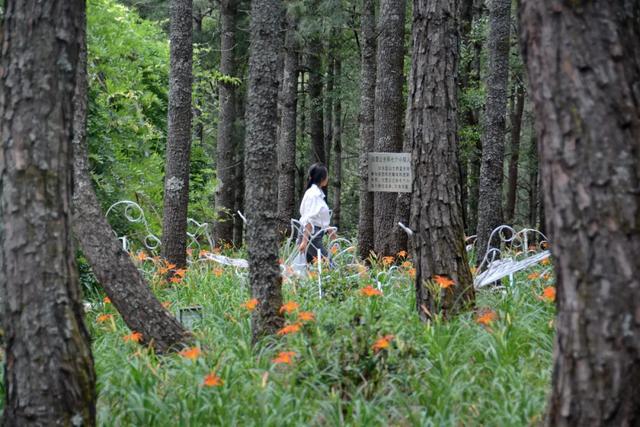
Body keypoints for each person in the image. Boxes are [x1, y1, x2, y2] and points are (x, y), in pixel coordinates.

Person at [298, 163, 336, 263]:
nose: (328, 177)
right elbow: (309, 220)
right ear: (322, 178)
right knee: (328, 263)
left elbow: (318, 218)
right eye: (327, 175)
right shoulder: (313, 195)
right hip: (311, 237)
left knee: (309, 268)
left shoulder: (316, 194)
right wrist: (305, 241)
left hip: (312, 236)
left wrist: (329, 230)